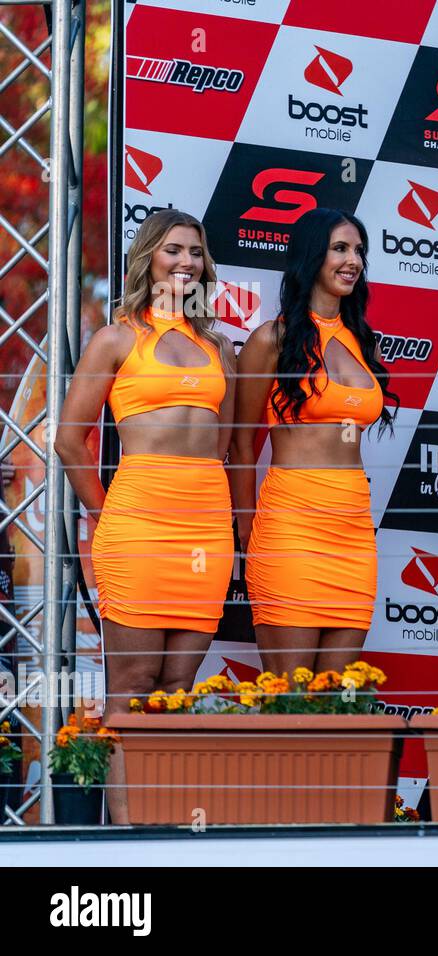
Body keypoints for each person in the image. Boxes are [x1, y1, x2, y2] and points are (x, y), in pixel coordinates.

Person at [56, 209, 237, 823]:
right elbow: (68, 438)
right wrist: (106, 513)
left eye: (195, 253)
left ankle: (171, 831)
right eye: (172, 251)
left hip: (206, 529)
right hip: (136, 523)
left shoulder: (220, 347)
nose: (186, 263)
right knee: (131, 689)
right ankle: (130, 839)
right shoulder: (116, 337)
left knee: (177, 692)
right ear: (148, 259)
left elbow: (224, 442)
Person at [231, 209, 397, 675]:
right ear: (311, 256)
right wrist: (248, 534)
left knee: (335, 697)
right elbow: (242, 445)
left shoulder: (365, 342)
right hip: (291, 525)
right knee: (291, 698)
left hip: (353, 528)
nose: (354, 261)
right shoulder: (272, 338)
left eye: (359, 250)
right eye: (340, 248)